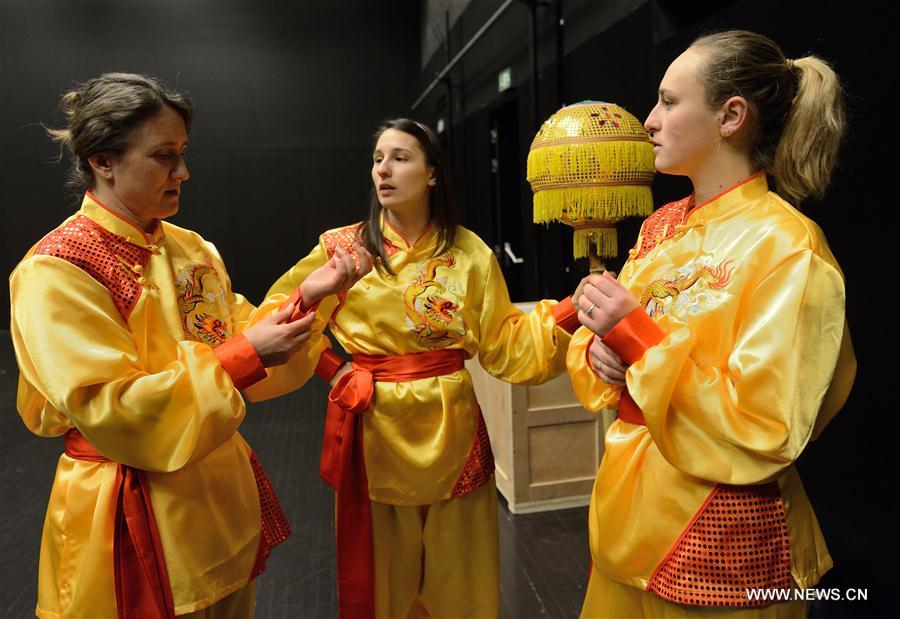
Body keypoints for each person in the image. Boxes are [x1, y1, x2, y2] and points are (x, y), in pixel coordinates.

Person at [9, 72, 372, 619]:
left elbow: (246, 338)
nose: (183, 171)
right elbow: (114, 409)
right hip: (128, 518)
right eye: (162, 155)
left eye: (181, 152)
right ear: (103, 161)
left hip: (215, 505)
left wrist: (309, 298)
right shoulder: (58, 269)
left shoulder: (190, 248)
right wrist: (247, 355)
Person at [567, 30, 857, 617]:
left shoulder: (786, 246)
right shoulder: (661, 226)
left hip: (719, 541)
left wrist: (635, 340)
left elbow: (769, 421)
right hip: (626, 512)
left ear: (731, 116)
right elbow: (618, 353)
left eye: (670, 102)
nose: (649, 120)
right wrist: (601, 355)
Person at [265, 118, 581, 618]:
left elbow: (503, 344)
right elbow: (277, 325)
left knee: (461, 581)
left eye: (401, 158)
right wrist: (332, 364)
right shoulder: (343, 249)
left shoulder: (470, 253)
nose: (384, 170)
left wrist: (570, 312)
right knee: (382, 581)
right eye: (377, 159)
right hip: (375, 429)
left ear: (433, 173)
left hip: (452, 426)